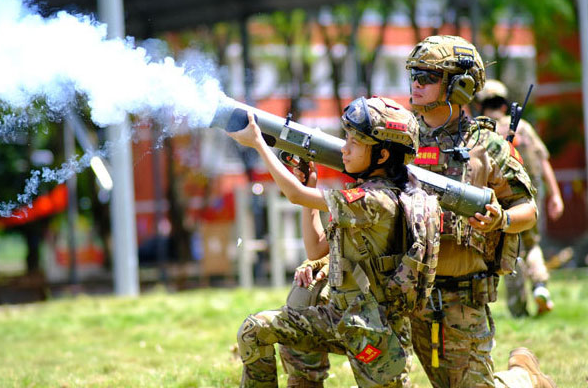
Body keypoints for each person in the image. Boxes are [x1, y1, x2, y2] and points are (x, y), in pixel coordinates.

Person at [231, 96, 429, 388]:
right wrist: (310, 186)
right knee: (255, 330)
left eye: (355, 143)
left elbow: (294, 194)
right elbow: (315, 249)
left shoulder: (377, 200)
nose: (344, 148)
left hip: (374, 330)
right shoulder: (364, 194)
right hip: (338, 316)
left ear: (383, 155)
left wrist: (259, 143)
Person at [406, 35, 556, 388]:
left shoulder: (485, 145)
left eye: (428, 76)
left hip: (463, 299)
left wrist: (500, 220)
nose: (416, 83)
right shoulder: (401, 140)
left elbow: (527, 209)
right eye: (413, 74)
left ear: (459, 86)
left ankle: (524, 379)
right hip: (410, 296)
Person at [476, 79, 564, 316]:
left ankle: (518, 308)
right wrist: (556, 195)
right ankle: (540, 286)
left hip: (501, 202)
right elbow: (543, 160)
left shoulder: (483, 133)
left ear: (480, 105)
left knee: (510, 250)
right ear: (505, 105)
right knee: (532, 244)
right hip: (530, 199)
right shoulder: (523, 127)